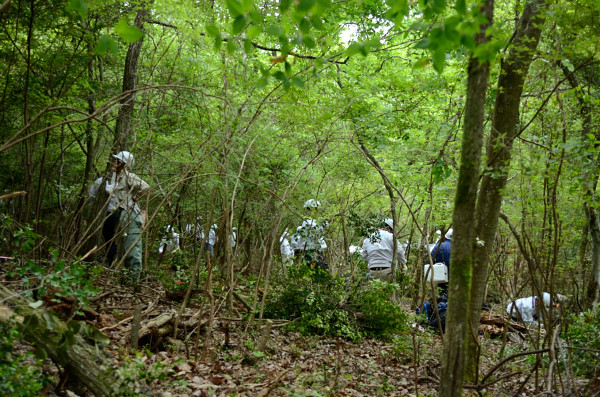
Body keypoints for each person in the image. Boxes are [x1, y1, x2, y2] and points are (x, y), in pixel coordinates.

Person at [105, 151, 150, 282]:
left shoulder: (129, 176)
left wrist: (134, 198)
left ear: (123, 164)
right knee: (122, 249)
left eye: (117, 161)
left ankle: (134, 281)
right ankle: (125, 279)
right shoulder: (116, 177)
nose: (113, 163)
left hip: (130, 214)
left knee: (132, 248)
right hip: (120, 214)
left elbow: (146, 187)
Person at [89, 176, 118, 266]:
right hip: (116, 212)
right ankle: (108, 258)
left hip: (108, 212)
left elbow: (91, 196)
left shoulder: (101, 180)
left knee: (109, 236)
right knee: (111, 236)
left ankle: (108, 259)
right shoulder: (122, 181)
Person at [292, 199, 329, 270]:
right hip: (310, 251)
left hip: (313, 251)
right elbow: (317, 233)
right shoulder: (308, 222)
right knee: (322, 269)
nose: (317, 212)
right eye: (316, 209)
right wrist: (326, 223)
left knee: (322, 269)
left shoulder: (312, 222)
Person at [430, 228, 452, 294]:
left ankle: (441, 302)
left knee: (442, 292)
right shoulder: (459, 247)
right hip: (455, 274)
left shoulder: (439, 246)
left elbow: (431, 259)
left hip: (441, 273)